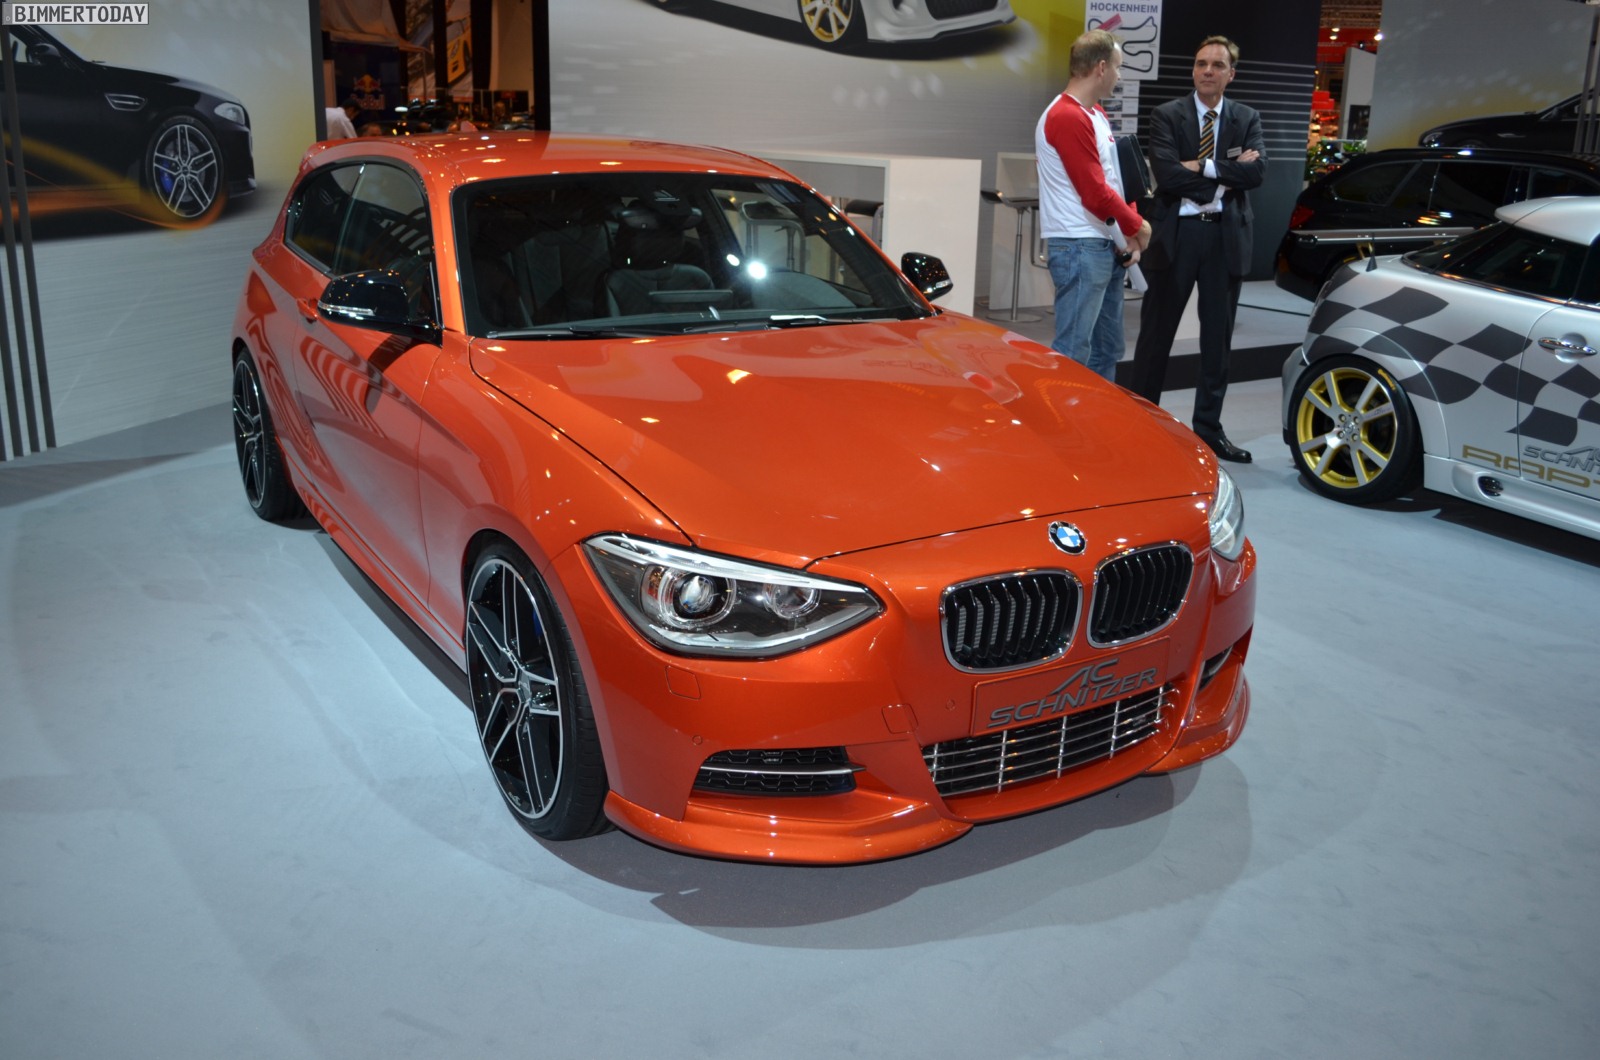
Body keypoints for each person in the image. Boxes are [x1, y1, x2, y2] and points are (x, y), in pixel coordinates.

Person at [1126, 36, 1266, 463]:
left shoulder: (1246, 117)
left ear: (1230, 74)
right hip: (1177, 237)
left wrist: (1202, 166)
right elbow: (1167, 176)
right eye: (1201, 63)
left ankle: (1208, 429)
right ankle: (1141, 425)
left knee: (1217, 342)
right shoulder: (1168, 115)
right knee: (1156, 336)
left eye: (1217, 65)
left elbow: (1257, 173)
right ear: (1193, 69)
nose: (1208, 70)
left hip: (1225, 238)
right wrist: (1226, 177)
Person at [1035, 29, 1151, 381]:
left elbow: (1114, 178)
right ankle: (1065, 415)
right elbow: (1094, 192)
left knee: (1106, 349)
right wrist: (1138, 227)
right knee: (1074, 351)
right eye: (1118, 67)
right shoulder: (1067, 116)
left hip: (1102, 243)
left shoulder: (1095, 114)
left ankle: (1096, 414)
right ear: (1101, 67)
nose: (1120, 75)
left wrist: (1127, 233)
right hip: (1079, 246)